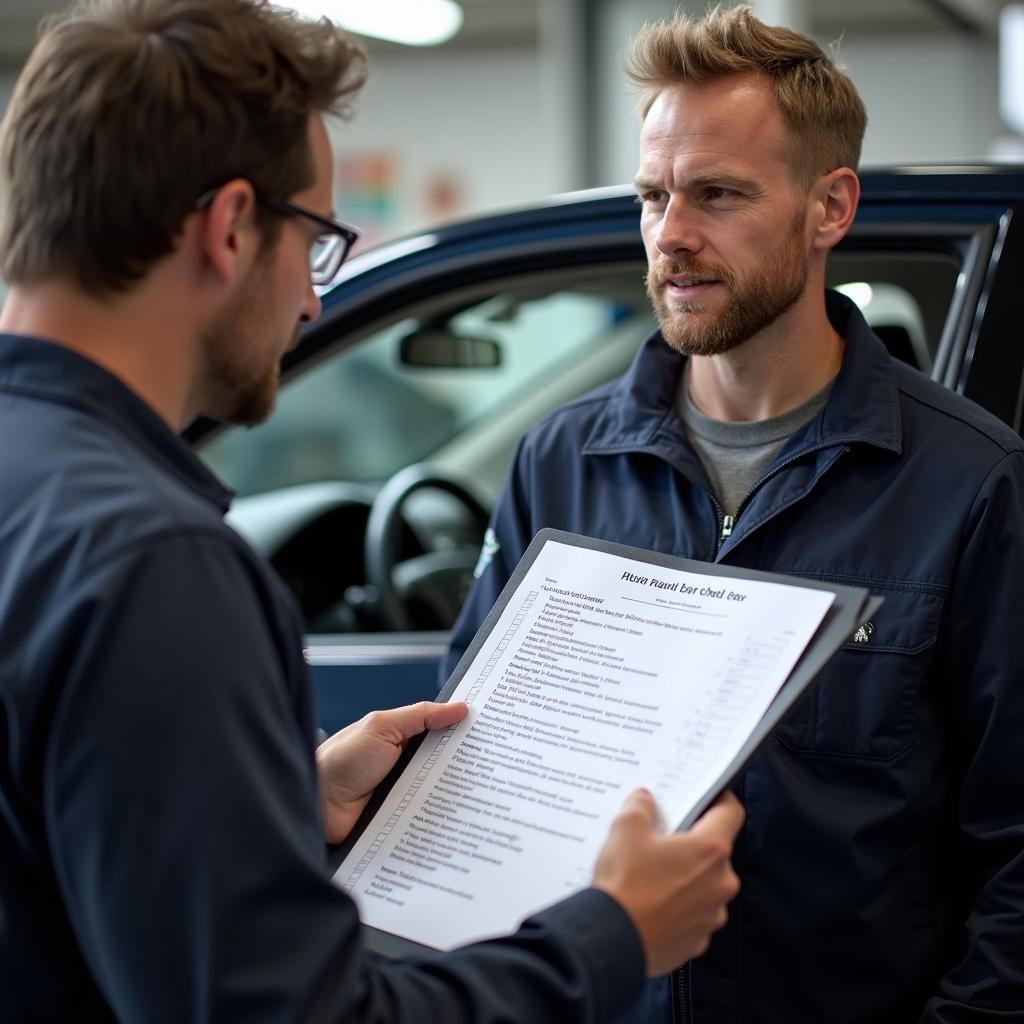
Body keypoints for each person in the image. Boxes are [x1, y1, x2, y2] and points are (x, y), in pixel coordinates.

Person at [0, 1, 746, 1021]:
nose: (313, 304)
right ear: (227, 228)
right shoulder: (156, 563)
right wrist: (610, 933)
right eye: (314, 242)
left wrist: (271, 804)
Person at [444, 6, 1024, 1023]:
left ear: (827, 206)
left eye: (716, 194)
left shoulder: (969, 484)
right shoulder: (561, 461)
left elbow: (1017, 855)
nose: (671, 234)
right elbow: (483, 766)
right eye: (654, 195)